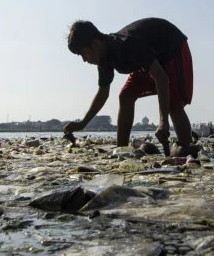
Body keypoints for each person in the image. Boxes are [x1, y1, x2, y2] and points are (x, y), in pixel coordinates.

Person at [63, 17, 194, 154]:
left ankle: (186, 147)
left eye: (84, 54)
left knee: (173, 103)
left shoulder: (127, 45)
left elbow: (161, 78)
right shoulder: (104, 60)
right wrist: (82, 123)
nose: (84, 60)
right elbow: (103, 93)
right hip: (146, 61)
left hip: (171, 48)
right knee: (126, 95)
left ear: (95, 45)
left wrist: (163, 122)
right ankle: (122, 149)